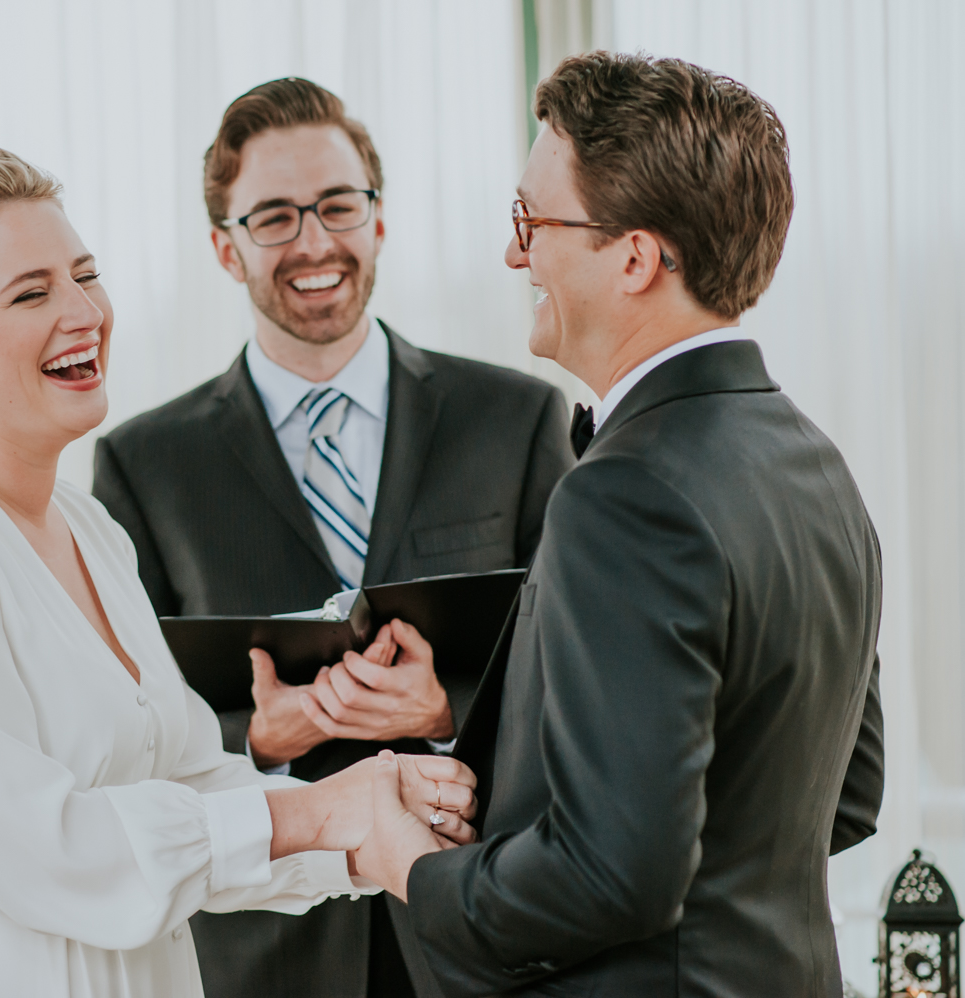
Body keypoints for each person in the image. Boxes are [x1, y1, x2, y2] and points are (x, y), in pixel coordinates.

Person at [0, 147, 477, 998]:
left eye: (86, 276)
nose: (84, 311)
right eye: (32, 292)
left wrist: (372, 812)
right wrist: (315, 811)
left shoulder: (91, 531)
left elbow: (192, 785)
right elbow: (29, 846)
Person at [355, 52, 886, 996]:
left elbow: (612, 875)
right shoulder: (812, 461)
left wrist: (413, 866)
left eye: (533, 222)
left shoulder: (626, 493)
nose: (516, 254)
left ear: (635, 257)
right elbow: (841, 799)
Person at [91, 78, 574, 997]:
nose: (314, 242)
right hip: (265, 953)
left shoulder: (513, 419)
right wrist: (256, 743)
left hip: (477, 926)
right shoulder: (142, 467)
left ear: (378, 220)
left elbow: (576, 667)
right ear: (225, 250)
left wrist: (445, 713)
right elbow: (124, 732)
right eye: (273, 217)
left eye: (338, 206)